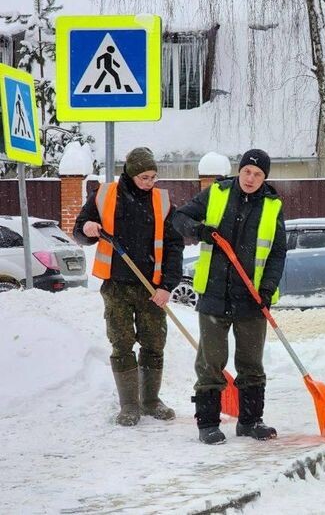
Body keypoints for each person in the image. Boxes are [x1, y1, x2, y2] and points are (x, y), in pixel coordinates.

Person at [172, 149, 287, 445]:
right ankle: (208, 423)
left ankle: (250, 421)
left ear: (265, 178)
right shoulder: (218, 193)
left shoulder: (272, 206)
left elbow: (276, 253)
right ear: (240, 170)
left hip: (251, 297)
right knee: (211, 361)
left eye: (258, 174)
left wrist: (266, 290)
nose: (251, 178)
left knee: (251, 362)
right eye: (247, 171)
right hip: (214, 293)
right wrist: (200, 231)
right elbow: (179, 217)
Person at [73, 147, 184, 426]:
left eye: (153, 177)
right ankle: (129, 405)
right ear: (132, 173)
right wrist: (87, 228)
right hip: (116, 286)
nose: (150, 182)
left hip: (151, 288)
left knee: (154, 343)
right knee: (121, 343)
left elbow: (174, 246)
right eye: (145, 177)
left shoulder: (162, 201)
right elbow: (80, 228)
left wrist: (167, 286)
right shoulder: (105, 194)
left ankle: (150, 401)